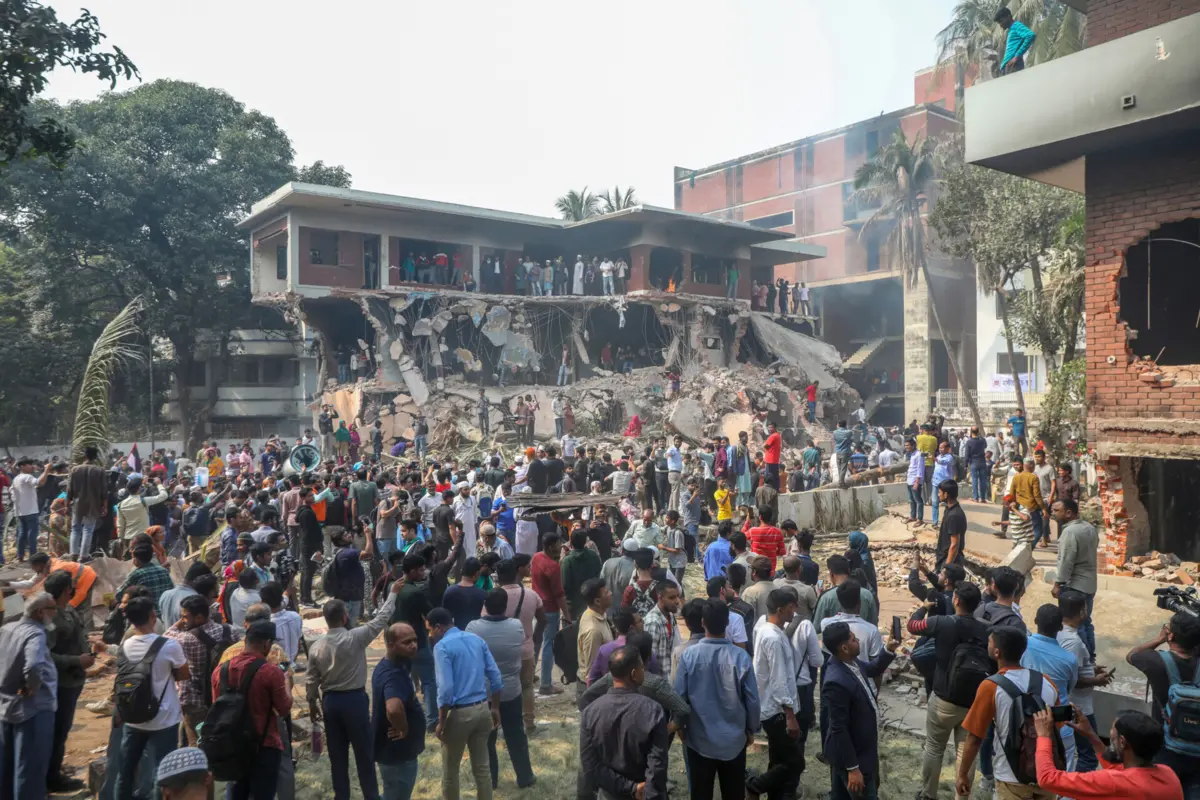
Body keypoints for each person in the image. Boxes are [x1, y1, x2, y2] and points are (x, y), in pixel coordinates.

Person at [306, 584, 401, 800]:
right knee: (364, 754)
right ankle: (371, 795)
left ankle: (342, 796)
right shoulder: (356, 637)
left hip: (330, 702)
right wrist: (393, 593)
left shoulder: (316, 647)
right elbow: (381, 619)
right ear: (344, 617)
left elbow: (311, 681)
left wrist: (312, 704)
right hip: (355, 701)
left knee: (337, 757)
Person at [906, 581, 989, 800]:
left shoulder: (941, 623)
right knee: (966, 753)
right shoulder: (987, 629)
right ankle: (962, 797)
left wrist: (924, 607)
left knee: (934, 747)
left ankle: (928, 794)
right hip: (973, 703)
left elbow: (912, 626)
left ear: (956, 600)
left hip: (943, 697)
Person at [957, 628, 1060, 800]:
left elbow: (974, 738)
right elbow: (1057, 726)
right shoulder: (1047, 681)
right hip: (1046, 773)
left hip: (1010, 776)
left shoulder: (990, 687)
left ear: (997, 652)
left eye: (989, 642)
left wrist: (962, 774)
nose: (987, 645)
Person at [672, 599, 759, 799]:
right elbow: (752, 700)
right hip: (733, 741)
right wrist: (751, 729)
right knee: (733, 792)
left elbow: (679, 697)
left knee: (701, 793)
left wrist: (680, 727)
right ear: (727, 623)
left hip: (699, 740)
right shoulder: (741, 657)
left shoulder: (689, 656)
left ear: (702, 623)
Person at [114, 595, 189, 800]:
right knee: (161, 773)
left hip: (133, 716)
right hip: (163, 717)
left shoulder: (126, 645)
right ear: (153, 616)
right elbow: (184, 674)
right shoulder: (169, 646)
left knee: (125, 772)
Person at [426, 607, 503, 800]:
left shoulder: (442, 647)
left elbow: (445, 690)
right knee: (482, 769)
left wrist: (442, 721)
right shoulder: (476, 640)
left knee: (450, 772)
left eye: (430, 630)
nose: (430, 635)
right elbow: (496, 677)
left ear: (438, 627)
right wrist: (494, 707)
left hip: (460, 713)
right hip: (482, 709)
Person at [821, 620, 900, 800]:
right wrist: (853, 768)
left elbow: (872, 668)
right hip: (854, 757)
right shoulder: (836, 681)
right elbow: (839, 728)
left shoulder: (851, 662)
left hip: (861, 751)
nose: (857, 640)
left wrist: (888, 649)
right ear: (844, 648)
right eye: (853, 639)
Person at [214, 619, 292, 800]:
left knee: (236, 793)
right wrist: (286, 680)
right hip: (264, 745)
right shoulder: (271, 672)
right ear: (266, 644)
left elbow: (216, 704)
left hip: (232, 745)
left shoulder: (221, 670)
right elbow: (284, 709)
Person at [1034, 707, 1184, 800]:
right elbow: (1120, 772)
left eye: (1113, 732)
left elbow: (1047, 778)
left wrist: (1044, 735)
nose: (1111, 733)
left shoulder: (1113, 782)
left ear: (1123, 742)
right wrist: (1091, 736)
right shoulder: (1167, 773)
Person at [467, 591, 535, 791]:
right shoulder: (516, 626)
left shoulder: (473, 627)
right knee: (516, 735)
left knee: (487, 739)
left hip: (483, 692)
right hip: (511, 690)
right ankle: (525, 776)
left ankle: (491, 781)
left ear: (485, 606)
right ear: (505, 605)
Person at [1126, 612, 1200, 795]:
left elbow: (1132, 655)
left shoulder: (1155, 661)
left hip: (1166, 746)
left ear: (1171, 635)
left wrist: (1159, 639)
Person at [580, 645, 668, 800]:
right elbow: (657, 767)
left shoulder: (590, 713)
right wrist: (639, 790)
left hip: (610, 794)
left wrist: (628, 788)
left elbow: (590, 766)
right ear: (634, 674)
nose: (644, 670)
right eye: (642, 667)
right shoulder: (653, 711)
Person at [0, 592, 58, 798]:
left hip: (6, 706)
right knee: (29, 769)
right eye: (53, 610)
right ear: (41, 612)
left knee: (7, 767)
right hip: (33, 708)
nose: (55, 614)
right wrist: (32, 686)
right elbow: (33, 665)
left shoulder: (6, 629)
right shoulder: (35, 634)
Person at [748, 589, 804, 799]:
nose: (795, 610)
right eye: (792, 606)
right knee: (795, 763)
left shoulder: (768, 630)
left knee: (779, 760)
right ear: (780, 610)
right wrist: (790, 715)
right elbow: (778, 679)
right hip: (777, 710)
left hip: (774, 707)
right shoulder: (772, 637)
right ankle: (755, 786)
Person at [1022, 605, 1081, 770]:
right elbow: (1070, 688)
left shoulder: (1022, 646)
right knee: (1064, 779)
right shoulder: (1069, 660)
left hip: (1026, 723)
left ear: (1035, 621)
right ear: (1061, 627)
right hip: (1060, 725)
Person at [373, 623, 425, 800]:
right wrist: (404, 728)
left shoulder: (398, 664)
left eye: (415, 640)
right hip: (397, 753)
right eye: (407, 642)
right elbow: (393, 708)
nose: (413, 645)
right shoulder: (392, 674)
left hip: (395, 752)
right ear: (390, 645)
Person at [1051, 498, 1098, 659]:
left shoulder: (1070, 532)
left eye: (1057, 510)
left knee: (1075, 625)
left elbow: (1066, 561)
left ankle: (1083, 660)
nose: (1053, 513)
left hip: (1075, 586)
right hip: (1089, 584)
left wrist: (1057, 584)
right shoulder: (1089, 528)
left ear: (1069, 512)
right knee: (1086, 622)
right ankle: (1090, 657)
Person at [531, 533, 569, 695]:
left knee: (537, 640)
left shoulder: (536, 557)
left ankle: (529, 674)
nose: (560, 546)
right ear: (550, 546)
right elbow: (559, 594)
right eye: (558, 544)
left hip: (537, 605)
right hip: (550, 609)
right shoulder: (553, 568)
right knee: (549, 645)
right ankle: (546, 684)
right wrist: (567, 615)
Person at [813, 555, 879, 631]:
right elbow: (874, 623)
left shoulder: (826, 597)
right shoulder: (867, 594)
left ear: (831, 573)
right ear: (848, 571)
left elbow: (817, 629)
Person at [577, 578, 615, 688]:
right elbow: (592, 672)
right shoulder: (593, 631)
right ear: (597, 601)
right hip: (595, 687)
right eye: (607, 592)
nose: (611, 593)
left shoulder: (596, 613)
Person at [561, 530, 602, 621]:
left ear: (570, 542)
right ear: (585, 542)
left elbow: (565, 585)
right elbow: (598, 574)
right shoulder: (593, 555)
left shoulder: (567, 560)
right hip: (591, 601)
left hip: (574, 605)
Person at [935, 479, 967, 571]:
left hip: (950, 559)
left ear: (946, 494)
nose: (938, 494)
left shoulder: (954, 515)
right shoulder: (949, 509)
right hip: (944, 557)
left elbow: (954, 545)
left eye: (939, 492)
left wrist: (946, 568)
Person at [995, 6, 1037, 75]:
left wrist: (1016, 57)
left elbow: (1030, 35)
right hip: (1008, 66)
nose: (1000, 25)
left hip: (1013, 66)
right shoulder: (1011, 30)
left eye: (1001, 21)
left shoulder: (1016, 25)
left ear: (1008, 16)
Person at [905, 438, 925, 522]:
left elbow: (920, 469)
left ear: (913, 445)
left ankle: (920, 518)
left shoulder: (919, 454)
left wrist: (917, 482)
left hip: (915, 481)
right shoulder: (912, 454)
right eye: (905, 445)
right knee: (911, 500)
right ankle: (913, 516)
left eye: (908, 445)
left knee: (918, 500)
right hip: (910, 480)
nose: (906, 447)